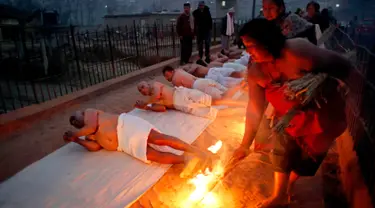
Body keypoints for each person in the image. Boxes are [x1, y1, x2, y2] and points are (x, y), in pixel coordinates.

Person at [231, 19, 351, 207]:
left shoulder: (297, 52)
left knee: (306, 163)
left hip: (320, 117)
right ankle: (278, 196)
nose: (248, 53)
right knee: (280, 151)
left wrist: (343, 85)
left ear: (266, 41)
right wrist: (244, 145)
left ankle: (289, 185)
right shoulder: (256, 72)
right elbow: (254, 108)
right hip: (289, 118)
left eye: (251, 46)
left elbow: (342, 65)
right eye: (245, 47)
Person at [63, 109, 212, 170]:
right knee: (153, 156)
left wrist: (76, 134)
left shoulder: (90, 113)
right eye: (74, 123)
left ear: (82, 114)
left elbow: (92, 125)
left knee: (160, 140)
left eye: (75, 118)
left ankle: (196, 151)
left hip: (126, 126)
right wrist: (78, 141)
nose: (75, 122)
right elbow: (95, 147)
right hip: (123, 143)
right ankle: (186, 159)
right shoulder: (87, 134)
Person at [136, 81, 245, 117]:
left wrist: (147, 103)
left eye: (142, 86)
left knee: (213, 101)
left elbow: (156, 94)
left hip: (183, 92)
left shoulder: (155, 85)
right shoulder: (151, 101)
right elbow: (162, 109)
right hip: (181, 103)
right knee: (212, 112)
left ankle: (241, 100)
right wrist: (147, 106)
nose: (142, 89)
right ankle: (242, 110)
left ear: (147, 83)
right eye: (140, 91)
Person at [163, 65, 242, 100]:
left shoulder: (174, 80)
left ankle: (239, 91)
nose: (167, 78)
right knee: (224, 90)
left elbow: (182, 91)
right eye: (165, 77)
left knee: (222, 96)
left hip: (197, 85)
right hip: (202, 80)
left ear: (172, 71)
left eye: (167, 75)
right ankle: (239, 92)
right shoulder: (179, 70)